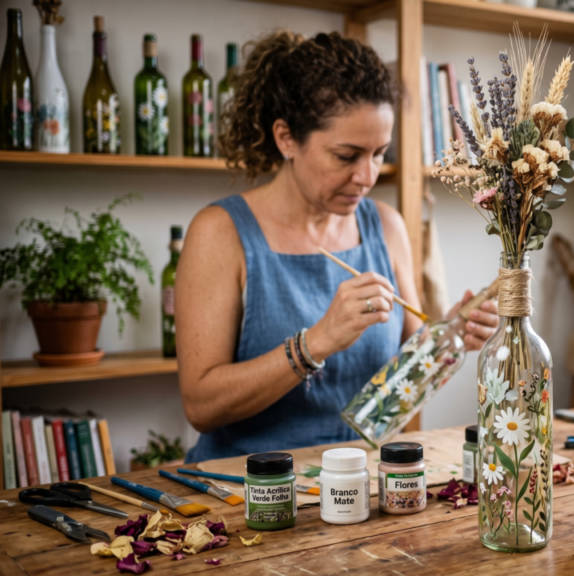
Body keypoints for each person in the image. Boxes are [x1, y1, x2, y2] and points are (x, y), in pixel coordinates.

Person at [176, 31, 498, 462]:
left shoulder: (386, 225)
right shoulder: (220, 232)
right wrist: (316, 343)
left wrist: (452, 336)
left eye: (379, 153)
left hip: (358, 484)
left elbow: (405, 371)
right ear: (286, 138)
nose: (367, 176)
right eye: (347, 156)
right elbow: (200, 407)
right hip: (247, 492)